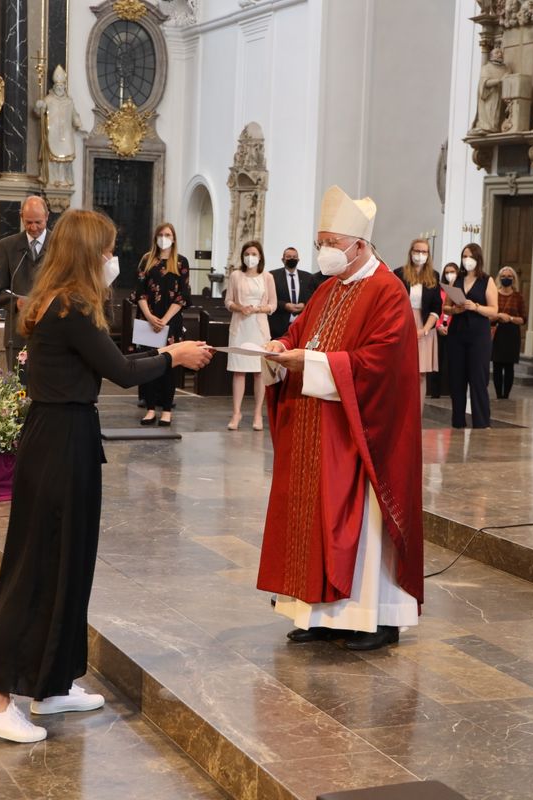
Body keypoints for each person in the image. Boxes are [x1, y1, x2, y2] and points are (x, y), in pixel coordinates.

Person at [0, 208, 213, 744]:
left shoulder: (67, 302)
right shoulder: (70, 308)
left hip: (68, 438)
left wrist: (166, 353)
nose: (112, 259)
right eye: (106, 251)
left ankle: (53, 683)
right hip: (58, 442)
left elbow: (108, 362)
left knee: (70, 564)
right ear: (86, 253)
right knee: (38, 568)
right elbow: (123, 373)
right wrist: (173, 353)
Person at [257, 185, 423, 652]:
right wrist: (280, 348)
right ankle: (320, 613)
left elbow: (380, 363)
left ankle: (377, 617)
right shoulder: (328, 288)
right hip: (315, 427)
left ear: (359, 245)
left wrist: (309, 364)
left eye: (332, 243)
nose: (324, 252)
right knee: (311, 518)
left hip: (362, 434)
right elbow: (299, 332)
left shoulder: (387, 292)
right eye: (321, 243)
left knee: (363, 526)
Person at [133, 222, 190, 426]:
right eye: (160, 234)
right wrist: (149, 316)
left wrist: (164, 320)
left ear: (173, 238)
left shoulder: (181, 262)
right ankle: (149, 409)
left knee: (168, 365)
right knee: (148, 366)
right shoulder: (147, 260)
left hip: (171, 321)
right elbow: (140, 292)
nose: (164, 237)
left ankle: (166, 409)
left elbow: (183, 296)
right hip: (149, 320)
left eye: (167, 234)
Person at [443, 243, 498, 428]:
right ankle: (458, 421)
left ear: (478, 259)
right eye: (464, 256)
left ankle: (481, 422)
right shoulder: (456, 279)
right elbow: (446, 307)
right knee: (457, 379)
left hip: (478, 335)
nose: (467, 260)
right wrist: (455, 310)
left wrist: (476, 307)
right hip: (457, 333)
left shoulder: (487, 280)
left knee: (478, 378)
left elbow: (494, 310)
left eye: (470, 256)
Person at [0, 196, 50, 374]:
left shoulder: (60, 245)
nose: (33, 228)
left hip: (50, 332)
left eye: (38, 222)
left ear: (47, 216)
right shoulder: (7, 246)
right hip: (18, 336)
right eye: (29, 222)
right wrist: (16, 302)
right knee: (20, 392)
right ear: (21, 217)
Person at [224, 240, 276, 430]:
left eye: (254, 254)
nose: (250, 257)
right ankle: (236, 413)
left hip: (259, 328)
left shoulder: (267, 277)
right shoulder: (236, 275)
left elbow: (273, 305)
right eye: (247, 254)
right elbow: (228, 301)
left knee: (258, 372)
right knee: (239, 371)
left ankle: (257, 414)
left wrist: (257, 309)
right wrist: (239, 307)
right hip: (240, 327)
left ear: (260, 256)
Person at [395, 238, 442, 408]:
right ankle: (401, 412)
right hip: (403, 323)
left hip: (425, 326)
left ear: (428, 255)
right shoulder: (399, 273)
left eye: (424, 252)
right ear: (411, 252)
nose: (420, 255)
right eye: (417, 251)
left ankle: (418, 414)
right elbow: (394, 303)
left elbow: (437, 306)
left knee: (421, 374)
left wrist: (424, 329)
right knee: (404, 372)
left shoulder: (434, 276)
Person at [491, 265, 527, 400]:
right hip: (498, 330)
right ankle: (498, 395)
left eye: (509, 277)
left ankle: (506, 395)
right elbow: (490, 314)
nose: (506, 279)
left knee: (509, 365)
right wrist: (499, 315)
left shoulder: (518, 296)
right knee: (497, 365)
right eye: (504, 277)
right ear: (499, 278)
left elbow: (523, 319)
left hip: (512, 333)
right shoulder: (494, 294)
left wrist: (510, 318)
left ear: (514, 279)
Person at [268, 246, 314, 340]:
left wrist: (305, 305)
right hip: (278, 326)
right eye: (288, 257)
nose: (292, 259)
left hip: (301, 326)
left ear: (298, 259)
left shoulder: (308, 277)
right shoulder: (272, 275)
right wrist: (285, 305)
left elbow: (313, 297)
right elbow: (268, 298)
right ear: (283, 259)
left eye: (294, 257)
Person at [431, 262, 458, 398]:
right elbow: (434, 309)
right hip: (438, 329)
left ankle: (450, 390)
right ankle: (435, 391)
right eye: (447, 272)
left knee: (453, 362)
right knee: (438, 361)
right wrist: (439, 326)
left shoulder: (459, 291)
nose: (449, 275)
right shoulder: (438, 290)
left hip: (454, 330)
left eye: (452, 272)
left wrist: (449, 326)